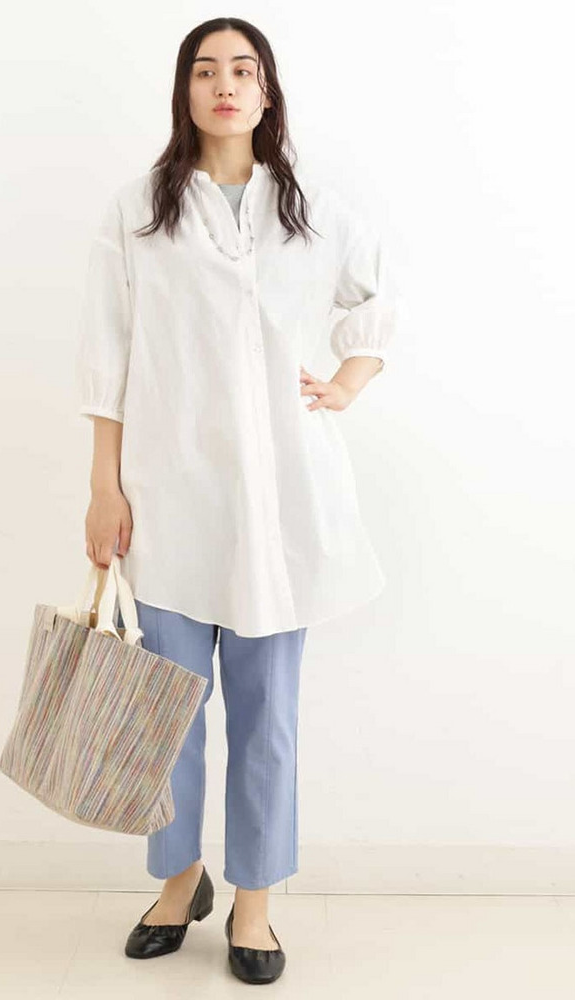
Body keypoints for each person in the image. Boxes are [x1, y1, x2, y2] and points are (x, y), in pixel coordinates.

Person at [76, 17, 397, 986]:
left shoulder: (312, 213)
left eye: (242, 70)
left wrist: (346, 382)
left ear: (266, 91)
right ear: (185, 90)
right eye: (206, 70)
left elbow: (376, 299)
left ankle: (253, 901)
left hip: (278, 504)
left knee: (268, 718)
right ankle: (179, 880)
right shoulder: (139, 211)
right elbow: (106, 352)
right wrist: (102, 486)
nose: (224, 85)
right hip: (167, 496)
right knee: (164, 711)